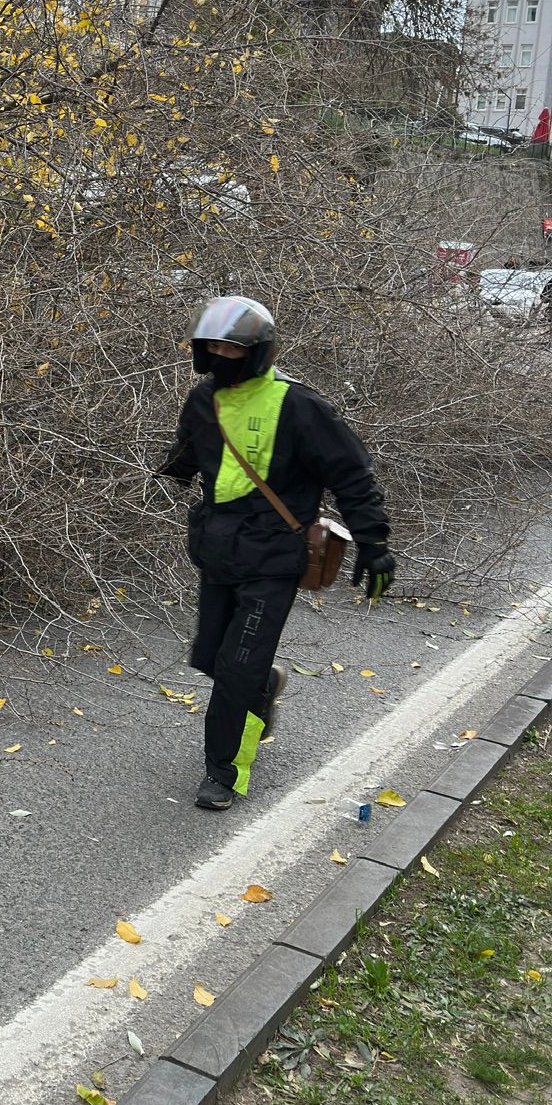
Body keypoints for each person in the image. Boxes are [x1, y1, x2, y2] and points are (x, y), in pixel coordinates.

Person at [158, 296, 396, 813]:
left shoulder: (299, 405)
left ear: (256, 351)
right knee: (211, 660)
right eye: (212, 346)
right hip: (218, 552)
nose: (220, 354)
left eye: (231, 346)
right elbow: (189, 456)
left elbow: (352, 473)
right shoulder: (204, 400)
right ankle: (265, 685)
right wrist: (167, 472)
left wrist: (374, 542)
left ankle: (225, 770)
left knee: (237, 668)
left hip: (274, 556)